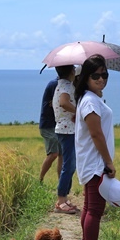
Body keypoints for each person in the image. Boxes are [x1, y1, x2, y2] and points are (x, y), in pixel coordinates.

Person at [74, 54, 115, 240]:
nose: (101, 79)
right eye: (96, 75)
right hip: (96, 163)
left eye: (105, 74)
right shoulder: (90, 101)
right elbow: (97, 134)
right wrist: (108, 162)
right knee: (95, 211)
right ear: (86, 77)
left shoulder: (90, 98)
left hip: (91, 162)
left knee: (89, 207)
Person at [52, 65, 80, 214]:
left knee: (70, 165)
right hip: (67, 130)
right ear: (71, 71)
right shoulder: (66, 86)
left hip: (65, 129)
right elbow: (63, 102)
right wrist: (79, 111)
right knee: (68, 166)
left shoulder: (60, 84)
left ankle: (64, 198)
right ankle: (61, 200)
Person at [38, 77, 61, 184]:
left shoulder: (64, 85)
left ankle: (62, 183)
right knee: (54, 153)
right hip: (48, 125)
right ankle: (40, 179)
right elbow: (56, 103)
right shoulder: (55, 84)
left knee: (62, 154)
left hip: (58, 125)